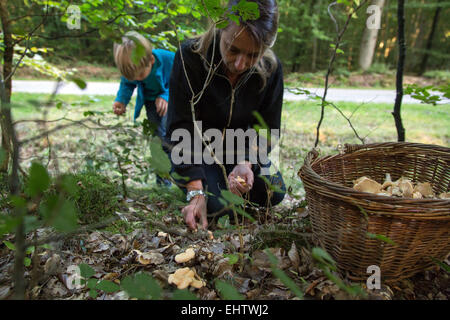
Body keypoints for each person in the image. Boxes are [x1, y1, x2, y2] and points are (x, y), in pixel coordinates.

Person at [166, 0, 286, 231]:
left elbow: (267, 128)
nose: (240, 64)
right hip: (199, 149)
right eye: (232, 49)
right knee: (216, 204)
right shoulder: (190, 57)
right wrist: (195, 189)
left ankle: (226, 182)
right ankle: (201, 184)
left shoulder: (271, 69)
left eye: (253, 55)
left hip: (240, 148)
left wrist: (246, 162)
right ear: (219, 27)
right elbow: (180, 126)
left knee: (275, 191)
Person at [113, 31, 175, 186]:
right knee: (158, 140)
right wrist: (121, 100)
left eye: (140, 75)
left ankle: (184, 176)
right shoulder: (135, 70)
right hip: (152, 105)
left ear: (151, 60)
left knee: (175, 136)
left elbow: (181, 80)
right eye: (133, 77)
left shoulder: (167, 59)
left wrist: (166, 95)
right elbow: (127, 84)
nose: (137, 79)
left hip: (175, 101)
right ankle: (163, 182)